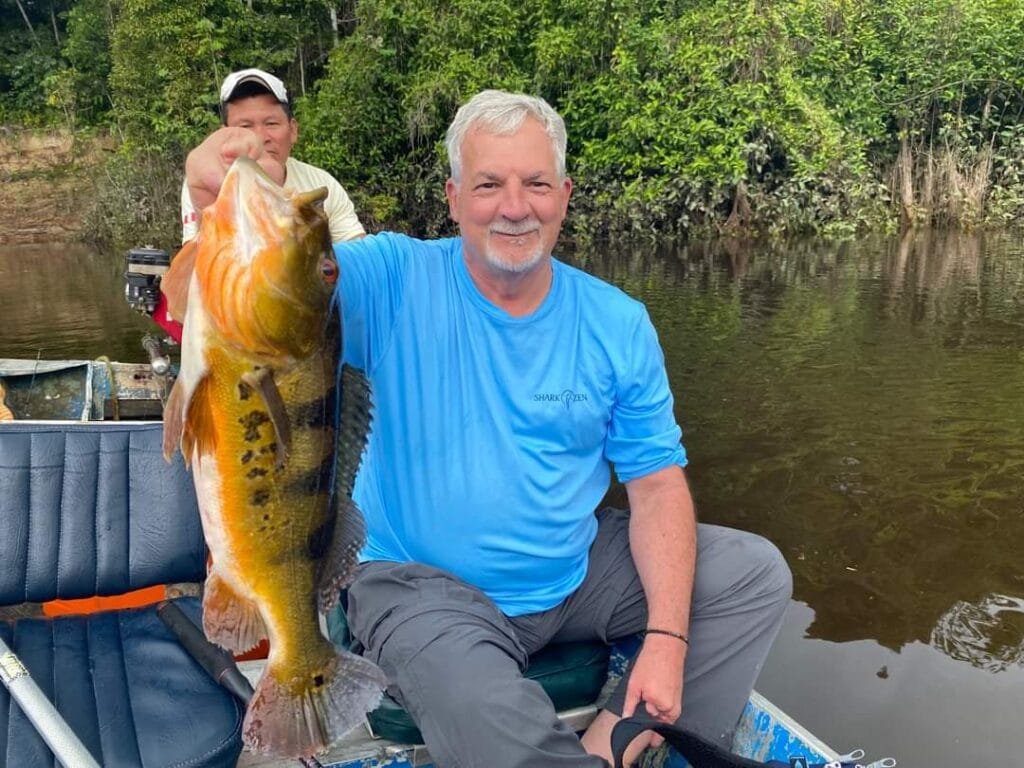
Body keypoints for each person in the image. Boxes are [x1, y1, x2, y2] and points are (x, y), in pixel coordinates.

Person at [183, 90, 792, 768]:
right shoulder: (390, 277)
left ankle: (621, 738)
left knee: (751, 576)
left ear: (564, 196)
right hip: (420, 584)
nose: (514, 206)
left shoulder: (617, 322)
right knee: (484, 713)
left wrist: (668, 642)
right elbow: (264, 301)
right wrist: (209, 203)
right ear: (453, 197)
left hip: (572, 570)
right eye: (488, 184)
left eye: (536, 183)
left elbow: (655, 487)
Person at [181, 67, 365, 245]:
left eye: (271, 123)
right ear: (224, 136)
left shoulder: (323, 184)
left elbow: (357, 249)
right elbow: (198, 258)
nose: (260, 138)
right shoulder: (209, 184)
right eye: (245, 127)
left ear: (293, 130)